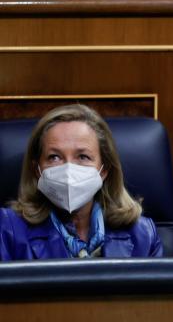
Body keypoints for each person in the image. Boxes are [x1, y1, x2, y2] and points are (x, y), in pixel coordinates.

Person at [0, 104, 162, 259]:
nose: (68, 170)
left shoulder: (143, 234)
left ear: (104, 170)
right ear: (37, 170)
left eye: (83, 157)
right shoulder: (8, 230)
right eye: (54, 157)